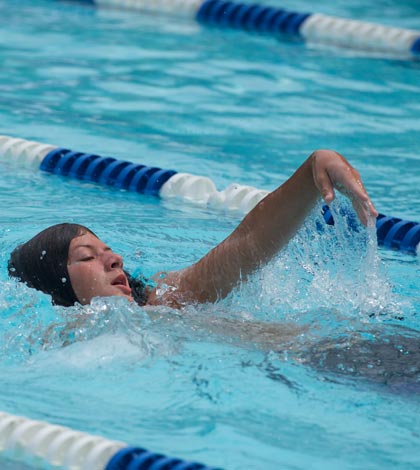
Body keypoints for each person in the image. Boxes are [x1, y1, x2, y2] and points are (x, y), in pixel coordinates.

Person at [8, 149, 378, 309]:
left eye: (108, 252)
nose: (116, 261)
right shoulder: (60, 338)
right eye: (87, 257)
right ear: (56, 285)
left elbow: (244, 247)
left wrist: (314, 168)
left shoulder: (164, 300)